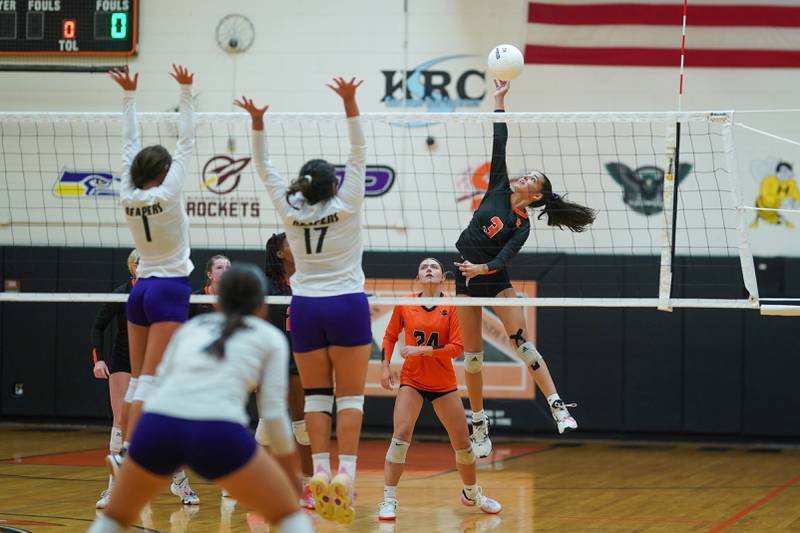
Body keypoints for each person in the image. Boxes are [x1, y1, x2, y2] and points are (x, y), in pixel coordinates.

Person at [235, 76, 369, 525]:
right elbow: (358, 152)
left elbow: (264, 167)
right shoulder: (348, 201)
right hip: (348, 303)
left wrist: (257, 122)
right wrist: (350, 103)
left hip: (307, 307)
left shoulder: (290, 210)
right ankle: (345, 475)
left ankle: (321, 474)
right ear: (334, 185)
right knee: (349, 396)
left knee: (314, 397)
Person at [87, 264, 312, 533]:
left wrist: (135, 446)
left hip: (158, 426)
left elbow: (157, 385)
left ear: (218, 300)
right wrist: (292, 476)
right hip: (218, 431)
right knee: (289, 515)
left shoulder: (189, 329)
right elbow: (275, 417)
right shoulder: (269, 337)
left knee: (114, 520)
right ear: (262, 307)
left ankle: (172, 479)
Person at [454, 80, 596, 456]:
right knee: (472, 360)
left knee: (523, 344)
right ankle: (480, 426)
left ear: (536, 196)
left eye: (533, 178)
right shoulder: (498, 186)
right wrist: (499, 102)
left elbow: (503, 261)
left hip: (490, 276)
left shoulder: (523, 224)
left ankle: (557, 407)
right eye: (528, 172)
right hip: (464, 275)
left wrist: (481, 269)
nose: (525, 175)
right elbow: (499, 140)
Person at [106, 64, 199, 504]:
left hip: (139, 289)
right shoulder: (167, 193)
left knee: (140, 381)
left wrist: (129, 97)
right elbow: (188, 141)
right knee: (151, 381)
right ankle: (129, 451)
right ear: (162, 172)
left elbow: (128, 148)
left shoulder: (128, 196)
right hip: (168, 289)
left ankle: (123, 446)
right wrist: (186, 90)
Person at [378, 258, 502, 521]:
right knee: (400, 437)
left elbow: (457, 349)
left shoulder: (452, 305)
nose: (429, 270)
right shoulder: (406, 302)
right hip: (412, 380)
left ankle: (472, 494)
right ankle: (388, 500)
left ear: (442, 277)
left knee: (464, 445)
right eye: (423, 267)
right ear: (418, 277)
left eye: (433, 266)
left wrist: (423, 350)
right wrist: (385, 366)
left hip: (443, 384)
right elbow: (389, 336)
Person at [262, 232, 315, 509]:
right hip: (271, 361)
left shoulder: (308, 280)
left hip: (300, 359)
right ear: (280, 253)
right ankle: (262, 484)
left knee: (302, 426)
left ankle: (309, 486)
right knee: (266, 426)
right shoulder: (267, 287)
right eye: (290, 244)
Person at [91, 249, 137, 509]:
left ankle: (179, 482)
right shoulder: (122, 293)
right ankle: (113, 489)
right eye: (141, 262)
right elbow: (97, 326)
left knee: (159, 423)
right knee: (120, 419)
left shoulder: (160, 292)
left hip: (152, 364)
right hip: (123, 362)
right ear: (133, 267)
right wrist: (98, 359)